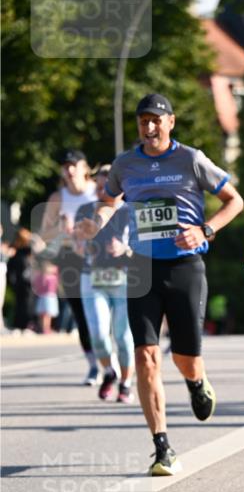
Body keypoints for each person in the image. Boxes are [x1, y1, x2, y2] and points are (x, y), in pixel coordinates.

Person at [75, 93, 244, 475]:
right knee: (146, 358)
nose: (149, 128)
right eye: (143, 121)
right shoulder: (125, 163)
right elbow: (108, 200)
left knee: (185, 358)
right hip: (141, 269)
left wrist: (205, 230)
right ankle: (161, 446)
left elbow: (234, 200)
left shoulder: (191, 159)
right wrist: (98, 221)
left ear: (171, 122)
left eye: (156, 120)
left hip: (185, 266)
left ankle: (197, 380)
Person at [39, 150, 99, 382]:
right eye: (65, 166)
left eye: (74, 165)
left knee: (106, 311)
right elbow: (44, 234)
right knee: (81, 314)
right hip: (71, 259)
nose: (70, 170)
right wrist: (61, 228)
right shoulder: (58, 198)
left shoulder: (99, 191)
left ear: (85, 168)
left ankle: (114, 359)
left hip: (100, 257)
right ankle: (94, 365)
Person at [77, 165, 134, 403]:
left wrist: (125, 249)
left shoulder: (132, 211)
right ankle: (109, 372)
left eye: (109, 187)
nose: (104, 191)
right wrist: (81, 244)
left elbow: (147, 249)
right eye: (100, 187)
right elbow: (77, 245)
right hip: (93, 277)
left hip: (126, 278)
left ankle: (126, 383)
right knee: (99, 334)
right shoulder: (86, 210)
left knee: (122, 336)